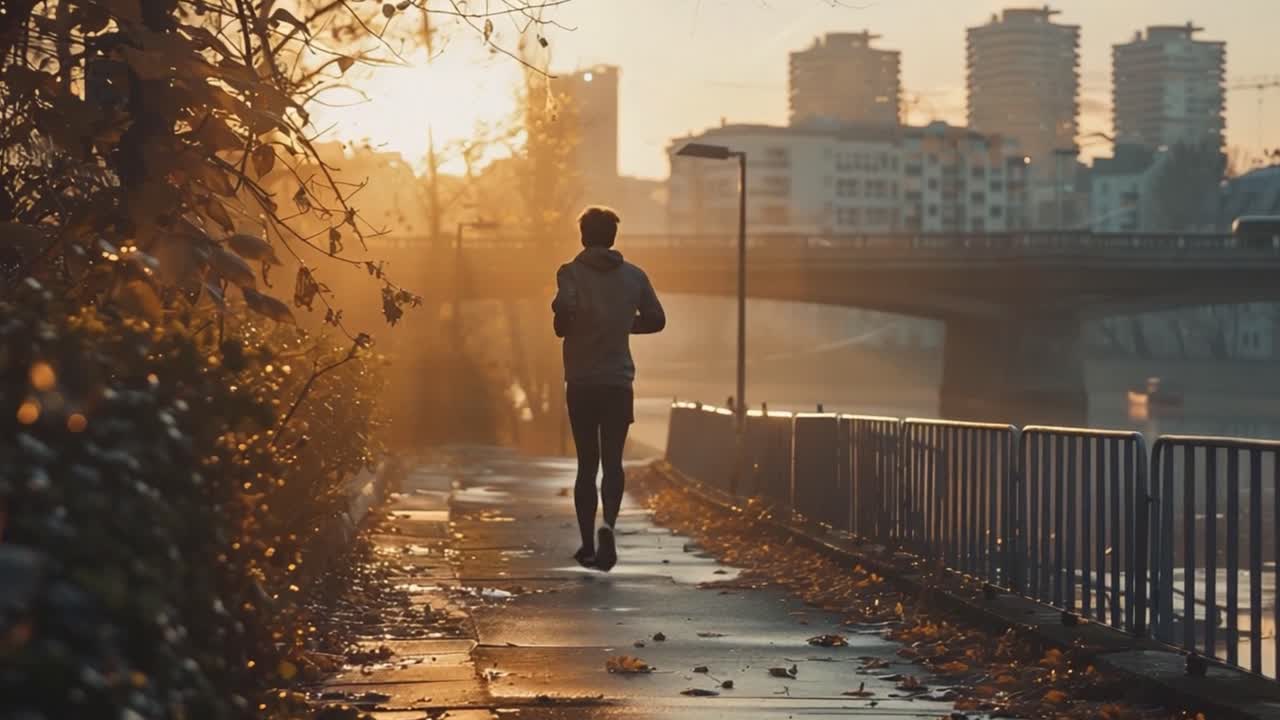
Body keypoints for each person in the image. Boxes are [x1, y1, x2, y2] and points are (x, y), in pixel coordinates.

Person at [552, 206, 665, 572]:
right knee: (613, 461)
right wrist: (622, 325)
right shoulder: (634, 277)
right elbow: (656, 320)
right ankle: (608, 527)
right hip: (618, 382)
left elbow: (562, 320)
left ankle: (587, 545)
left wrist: (567, 317)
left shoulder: (569, 273)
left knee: (587, 464)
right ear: (613, 237)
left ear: (583, 236)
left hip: (582, 382)